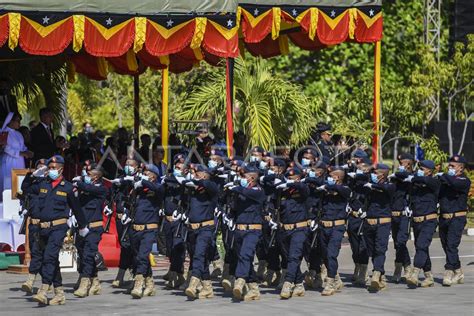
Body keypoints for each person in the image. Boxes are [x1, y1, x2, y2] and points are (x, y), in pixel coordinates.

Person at [23, 155, 89, 306]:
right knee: (52, 261)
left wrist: (83, 226)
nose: (51, 170)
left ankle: (44, 289)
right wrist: (32, 175)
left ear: (61, 168)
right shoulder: (43, 184)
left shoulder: (67, 187)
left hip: (58, 228)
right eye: (49, 168)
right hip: (43, 229)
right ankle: (59, 293)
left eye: (53, 168)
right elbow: (26, 189)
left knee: (49, 257)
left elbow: (77, 208)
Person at [122, 164, 164, 299]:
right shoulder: (138, 189)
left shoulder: (157, 187)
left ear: (154, 175)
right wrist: (126, 213)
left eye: (147, 172)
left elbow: (159, 189)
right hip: (135, 228)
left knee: (142, 255)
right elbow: (131, 204)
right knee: (139, 257)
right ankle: (150, 283)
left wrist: (143, 180)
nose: (145, 173)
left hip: (149, 228)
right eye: (144, 172)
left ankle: (139, 284)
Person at [226, 165, 266, 301]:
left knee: (245, 254)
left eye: (244, 176)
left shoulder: (258, 190)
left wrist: (236, 187)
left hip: (253, 230)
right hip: (239, 229)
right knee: (243, 258)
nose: (241, 179)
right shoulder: (241, 192)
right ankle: (253, 288)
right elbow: (234, 207)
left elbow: (249, 193)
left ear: (253, 177)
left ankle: (240, 280)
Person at [179, 164, 219, 300]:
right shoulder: (192, 189)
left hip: (205, 228)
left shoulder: (210, 187)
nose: (194, 174)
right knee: (200, 258)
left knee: (199, 255)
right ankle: (207, 288)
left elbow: (210, 186)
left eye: (197, 172)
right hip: (192, 228)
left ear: (204, 175)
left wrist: (196, 181)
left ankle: (193, 283)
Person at [72, 162, 108, 298]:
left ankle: (84, 283)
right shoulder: (83, 188)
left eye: (88, 173)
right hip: (81, 227)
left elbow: (90, 189)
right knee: (83, 254)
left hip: (94, 227)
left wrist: (79, 183)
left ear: (97, 176)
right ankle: (95, 280)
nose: (85, 175)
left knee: (88, 253)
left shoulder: (101, 189)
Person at [404, 160, 440, 288]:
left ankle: (415, 273)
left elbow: (426, 181)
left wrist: (415, 178)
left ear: (429, 171)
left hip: (429, 219)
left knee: (421, 245)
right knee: (422, 248)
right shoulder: (416, 183)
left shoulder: (434, 181)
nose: (419, 169)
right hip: (417, 220)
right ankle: (429, 276)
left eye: (423, 168)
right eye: (419, 167)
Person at [276, 167, 310, 299]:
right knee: (288, 257)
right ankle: (299, 283)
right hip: (284, 230)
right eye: (288, 178)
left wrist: (292, 183)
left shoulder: (303, 190)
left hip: (299, 229)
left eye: (294, 178)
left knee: (294, 256)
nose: (290, 180)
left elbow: (303, 188)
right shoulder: (282, 191)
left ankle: (288, 282)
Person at [438, 155, 471, 286]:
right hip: (444, 218)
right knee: (446, 246)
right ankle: (458, 271)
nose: (449, 168)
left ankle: (448, 271)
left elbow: (454, 183)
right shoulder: (446, 180)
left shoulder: (463, 180)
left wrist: (443, 176)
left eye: (453, 166)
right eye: (449, 165)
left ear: (461, 168)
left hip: (457, 218)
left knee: (452, 245)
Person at [362, 163, 395, 292]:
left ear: (382, 174)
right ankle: (381, 275)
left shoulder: (390, 185)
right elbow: (358, 183)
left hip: (383, 222)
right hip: (369, 222)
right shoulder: (369, 184)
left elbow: (386, 189)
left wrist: (374, 185)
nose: (373, 175)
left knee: (380, 248)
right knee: (372, 251)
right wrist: (368, 171)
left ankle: (376, 273)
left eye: (376, 173)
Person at [318, 167, 352, 296]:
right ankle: (336, 277)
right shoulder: (325, 188)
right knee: (325, 254)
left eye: (331, 176)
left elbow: (344, 192)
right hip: (323, 226)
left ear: (337, 177)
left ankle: (330, 282)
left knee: (332, 254)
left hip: (337, 227)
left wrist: (330, 187)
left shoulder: (344, 189)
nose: (328, 177)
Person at [20, 159, 48, 294]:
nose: (41, 169)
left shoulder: (49, 184)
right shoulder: (34, 183)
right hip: (33, 223)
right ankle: (46, 283)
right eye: (39, 167)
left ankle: (31, 281)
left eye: (43, 167)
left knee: (43, 254)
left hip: (46, 225)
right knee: (35, 252)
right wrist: (32, 175)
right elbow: (24, 188)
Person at [389, 153, 415, 283]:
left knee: (401, 241)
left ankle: (399, 268)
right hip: (394, 213)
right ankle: (406, 265)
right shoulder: (396, 177)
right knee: (396, 243)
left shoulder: (413, 177)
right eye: (400, 162)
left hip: (405, 214)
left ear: (409, 163)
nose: (401, 165)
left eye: (403, 162)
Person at [346, 157, 371, 287]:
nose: (359, 168)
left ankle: (364, 272)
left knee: (363, 246)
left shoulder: (369, 180)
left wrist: (367, 210)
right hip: (352, 217)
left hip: (364, 218)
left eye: (362, 166)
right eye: (358, 166)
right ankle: (357, 266)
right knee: (354, 246)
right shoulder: (353, 181)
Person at [0, 112, 33, 194]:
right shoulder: (4, 133)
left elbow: (22, 147)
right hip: (9, 163)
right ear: (11, 121)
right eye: (18, 121)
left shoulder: (18, 134)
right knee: (9, 185)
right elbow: (5, 148)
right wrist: (20, 153)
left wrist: (27, 151)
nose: (19, 123)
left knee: (19, 185)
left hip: (20, 162)